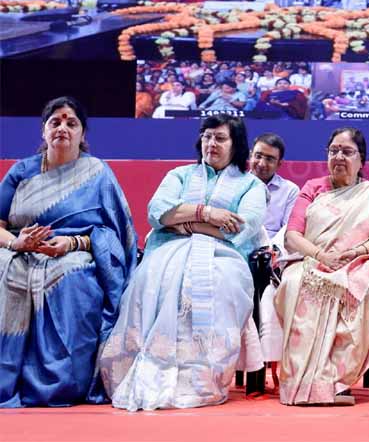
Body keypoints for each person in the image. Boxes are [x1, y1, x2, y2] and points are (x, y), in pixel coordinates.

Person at [99, 115, 265, 411]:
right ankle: (151, 364)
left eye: (220, 138)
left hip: (223, 256)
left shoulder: (251, 185)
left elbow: (242, 227)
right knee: (156, 278)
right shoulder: (180, 175)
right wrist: (207, 214)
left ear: (236, 144)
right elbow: (157, 212)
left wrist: (183, 223)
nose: (211, 143)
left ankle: (200, 378)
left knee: (217, 283)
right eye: (207, 136)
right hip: (167, 249)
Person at [0, 97, 137, 407]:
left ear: (82, 134)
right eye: (55, 122)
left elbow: (114, 235)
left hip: (75, 252)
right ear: (44, 131)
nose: (62, 127)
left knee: (72, 277)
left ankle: (63, 382)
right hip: (18, 251)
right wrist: (16, 244)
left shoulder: (98, 173)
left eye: (71, 123)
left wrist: (72, 243)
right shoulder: (22, 171)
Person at [275, 128, 369, 405]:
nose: (339, 157)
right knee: (294, 282)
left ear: (361, 160)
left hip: (356, 263)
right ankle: (301, 381)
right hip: (312, 260)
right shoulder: (313, 188)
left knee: (360, 292)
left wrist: (357, 251)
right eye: (333, 151)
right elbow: (292, 236)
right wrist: (321, 256)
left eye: (347, 152)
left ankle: (336, 382)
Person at [251, 133, 300, 238]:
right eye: (258, 156)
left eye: (269, 159)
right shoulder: (236, 183)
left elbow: (288, 231)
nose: (261, 164)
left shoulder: (290, 191)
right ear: (250, 156)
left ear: (279, 164)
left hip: (273, 244)